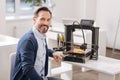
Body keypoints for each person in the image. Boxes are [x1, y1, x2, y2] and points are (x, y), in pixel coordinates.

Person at [11, 7, 64, 80]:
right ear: (34, 20)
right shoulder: (28, 40)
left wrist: (52, 53)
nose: (45, 23)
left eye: (48, 20)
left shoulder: (41, 35)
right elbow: (28, 69)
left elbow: (40, 49)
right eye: (42, 19)